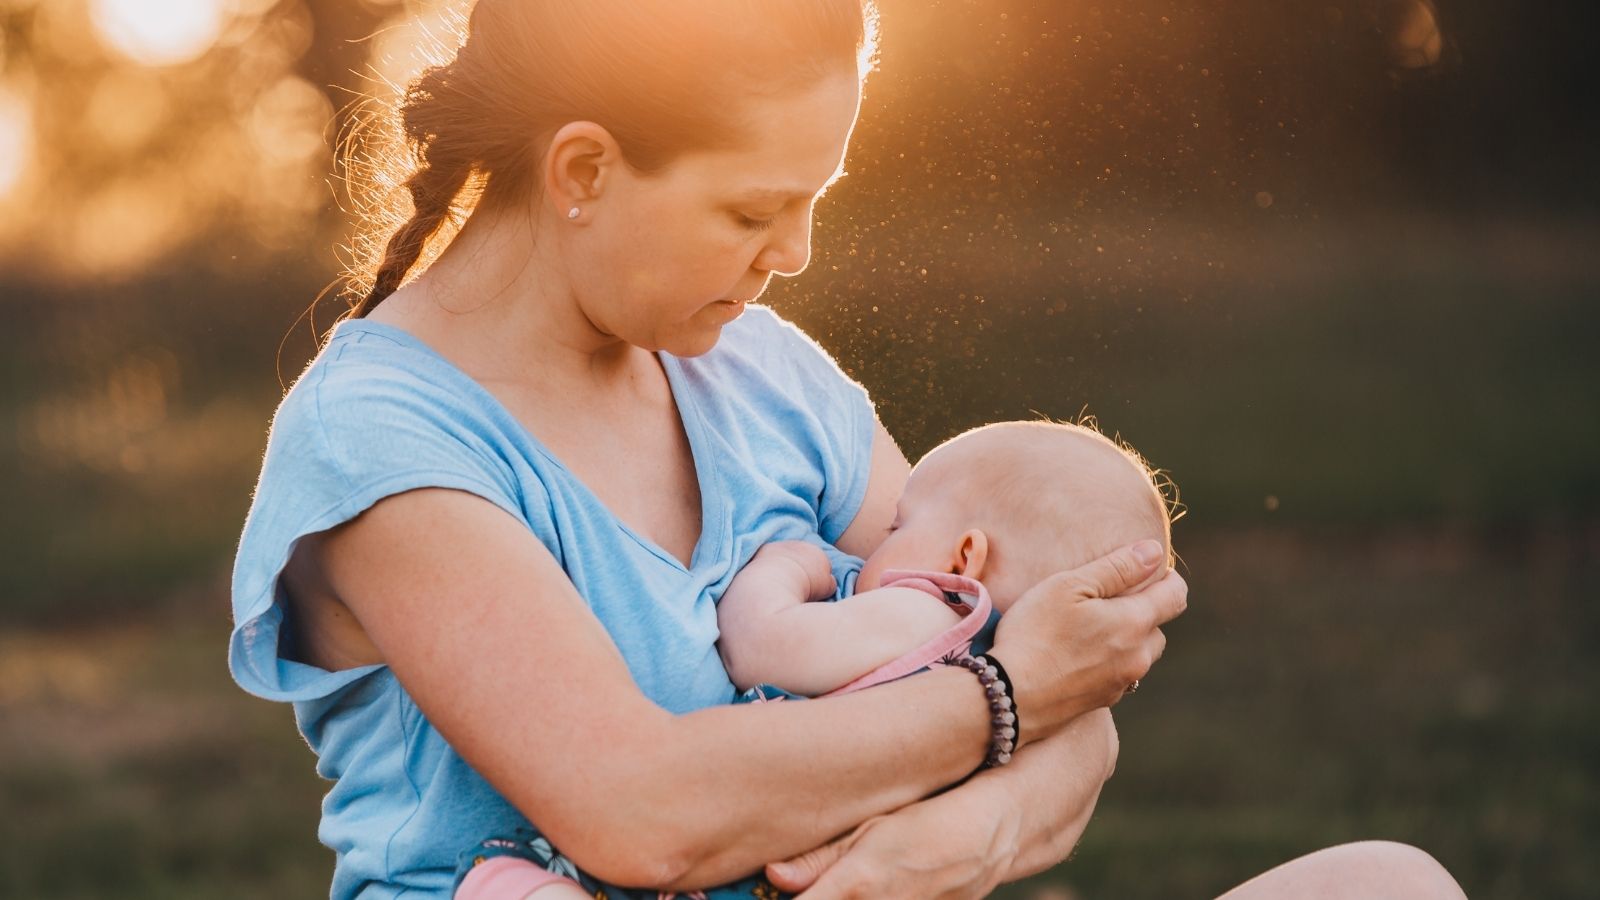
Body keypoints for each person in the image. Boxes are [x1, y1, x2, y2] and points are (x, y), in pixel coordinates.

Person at [228, 1, 1465, 897]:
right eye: (754, 209)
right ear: (584, 170)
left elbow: (1069, 691)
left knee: (1389, 882)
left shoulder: (761, 373)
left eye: (816, 200)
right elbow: (639, 812)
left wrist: (957, 838)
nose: (796, 254)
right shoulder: (382, 444)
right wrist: (1004, 704)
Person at [452, 420, 1173, 899]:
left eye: (896, 525)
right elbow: (1068, 699)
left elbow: (758, 648)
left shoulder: (922, 612)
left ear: (964, 557)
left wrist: (783, 571)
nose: (867, 547)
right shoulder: (1000, 651)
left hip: (753, 848)